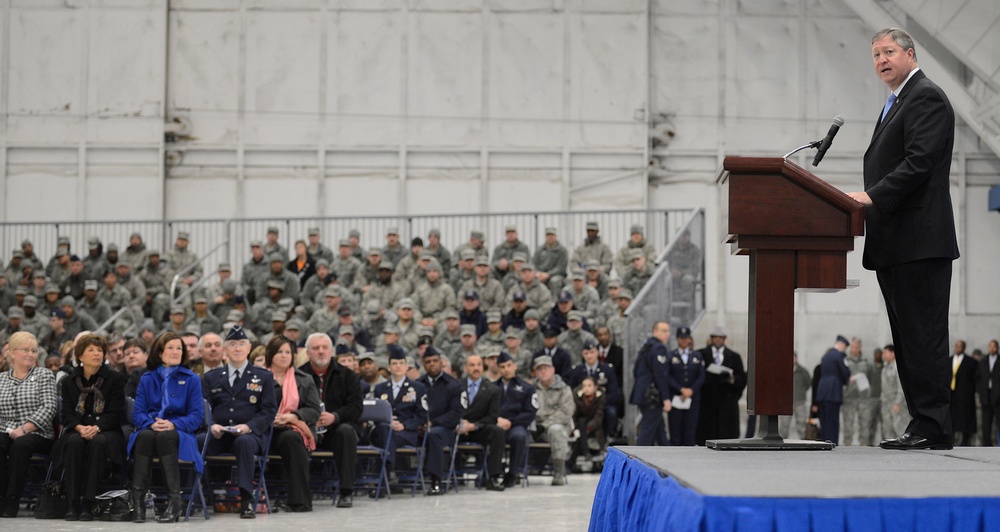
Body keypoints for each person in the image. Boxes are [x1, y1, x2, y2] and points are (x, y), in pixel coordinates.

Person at [845, 28, 959, 451]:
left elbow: (919, 162)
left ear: (910, 54)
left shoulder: (925, 96)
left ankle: (934, 425)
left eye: (889, 51)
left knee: (923, 337)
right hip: (897, 241)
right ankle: (924, 424)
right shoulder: (897, 101)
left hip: (919, 240)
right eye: (875, 54)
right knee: (908, 338)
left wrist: (870, 196)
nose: (881, 60)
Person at [202, 326, 278, 519]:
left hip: (250, 435)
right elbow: (204, 407)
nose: (237, 348)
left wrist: (249, 427)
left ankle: (246, 501)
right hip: (219, 433)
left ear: (249, 348)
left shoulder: (264, 377)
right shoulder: (211, 377)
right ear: (225, 350)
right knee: (195, 441)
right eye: (232, 344)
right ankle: (191, 496)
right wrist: (211, 425)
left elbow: (269, 410)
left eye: (242, 344)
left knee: (243, 443)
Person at [128, 331, 204, 523]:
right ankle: (138, 503)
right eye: (170, 347)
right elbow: (137, 414)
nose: (176, 351)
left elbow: (197, 417)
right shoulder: (147, 378)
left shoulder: (192, 379)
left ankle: (174, 502)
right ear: (159, 353)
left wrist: (173, 424)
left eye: (179, 348)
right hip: (150, 429)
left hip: (179, 433)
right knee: (144, 436)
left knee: (164, 436)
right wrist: (152, 423)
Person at [54, 334, 127, 521]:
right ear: (80, 356)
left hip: (106, 431)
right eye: (91, 350)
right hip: (77, 429)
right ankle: (71, 503)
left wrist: (96, 427)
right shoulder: (69, 382)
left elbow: (116, 413)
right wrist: (79, 427)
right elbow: (67, 414)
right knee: (73, 442)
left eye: (100, 350)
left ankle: (88, 503)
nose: (97, 353)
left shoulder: (115, 379)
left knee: (98, 443)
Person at [299, 332, 362, 508]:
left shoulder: (347, 375)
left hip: (336, 430)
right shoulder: (298, 375)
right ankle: (296, 494)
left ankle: (346, 492)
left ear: (331, 351)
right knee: (290, 436)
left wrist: (335, 417)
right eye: (316, 348)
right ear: (308, 352)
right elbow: (291, 404)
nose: (321, 351)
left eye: (325, 347)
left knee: (346, 432)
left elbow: (356, 407)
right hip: (307, 428)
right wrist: (307, 418)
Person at [0, 332, 57, 518]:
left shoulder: (44, 375)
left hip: (39, 433)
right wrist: (8, 429)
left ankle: (13, 499)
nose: (31, 354)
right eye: (26, 350)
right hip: (6, 429)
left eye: (34, 350)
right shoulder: (1, 379)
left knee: (21, 445)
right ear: (13, 353)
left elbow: (49, 407)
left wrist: (24, 429)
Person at [264, 335, 320, 512]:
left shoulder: (304, 379)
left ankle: (300, 501)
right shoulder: (258, 377)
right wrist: (268, 418)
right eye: (279, 352)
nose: (284, 356)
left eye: (288, 352)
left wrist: (293, 416)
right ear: (271, 354)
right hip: (264, 429)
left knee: (292, 439)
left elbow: (314, 410)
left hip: (292, 429)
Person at [371, 345, 427, 486]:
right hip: (385, 428)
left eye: (401, 363)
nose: (398, 366)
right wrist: (388, 422)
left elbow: (422, 414)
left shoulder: (417, 388)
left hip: (406, 432)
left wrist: (404, 425)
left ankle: (381, 481)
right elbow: (375, 413)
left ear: (407, 366)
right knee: (384, 431)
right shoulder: (380, 388)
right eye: (394, 363)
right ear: (389, 367)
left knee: (384, 440)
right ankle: (390, 472)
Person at [416, 346, 465, 495]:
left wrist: (433, 423)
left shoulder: (454, 385)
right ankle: (397, 478)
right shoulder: (417, 385)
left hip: (445, 430)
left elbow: (456, 413)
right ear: (423, 364)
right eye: (428, 361)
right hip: (419, 427)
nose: (432, 364)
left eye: (435, 361)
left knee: (434, 435)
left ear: (441, 363)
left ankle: (436, 481)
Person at [457, 354, 506, 491]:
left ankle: (493, 477)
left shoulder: (493, 390)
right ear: (466, 368)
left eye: (478, 365)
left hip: (479, 429)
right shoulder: (455, 386)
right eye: (472, 365)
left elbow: (492, 417)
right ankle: (439, 478)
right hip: (456, 428)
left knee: (498, 432)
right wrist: (458, 423)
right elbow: (449, 409)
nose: (476, 368)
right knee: (438, 431)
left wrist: (473, 426)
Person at [696, 327, 747, 445]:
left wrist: (732, 379)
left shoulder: (734, 356)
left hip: (727, 400)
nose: (718, 340)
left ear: (724, 339)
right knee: (707, 431)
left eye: (721, 338)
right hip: (707, 400)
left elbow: (742, 378)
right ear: (711, 339)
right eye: (716, 338)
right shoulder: (701, 354)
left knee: (726, 432)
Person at [531, 355, 574, 486]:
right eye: (540, 369)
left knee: (556, 431)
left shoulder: (564, 389)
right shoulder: (530, 388)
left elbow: (565, 412)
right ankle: (515, 471)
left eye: (546, 368)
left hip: (558, 424)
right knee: (518, 432)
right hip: (535, 424)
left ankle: (558, 472)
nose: (543, 371)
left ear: (553, 369)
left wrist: (545, 425)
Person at [495, 351, 537, 487]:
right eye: (502, 366)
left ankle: (512, 473)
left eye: (508, 365)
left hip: (517, 425)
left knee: (519, 436)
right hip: (496, 424)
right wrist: (497, 420)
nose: (506, 369)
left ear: (515, 366)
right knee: (489, 433)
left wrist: (511, 422)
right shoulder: (491, 387)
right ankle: (490, 473)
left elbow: (531, 412)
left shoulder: (527, 388)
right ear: (498, 369)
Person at [631, 321, 672, 446]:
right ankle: (636, 462)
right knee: (646, 434)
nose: (667, 334)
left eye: (668, 331)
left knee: (660, 433)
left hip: (643, 394)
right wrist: (666, 398)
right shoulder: (659, 348)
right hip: (652, 397)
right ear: (655, 331)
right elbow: (660, 375)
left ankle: (669, 459)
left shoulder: (647, 346)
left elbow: (636, 370)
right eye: (664, 331)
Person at [666, 327, 704, 446]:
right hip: (677, 397)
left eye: (686, 338)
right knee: (675, 430)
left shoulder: (697, 356)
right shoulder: (671, 355)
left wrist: (691, 390)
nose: (684, 340)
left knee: (690, 429)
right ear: (677, 339)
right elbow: (667, 376)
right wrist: (681, 389)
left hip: (692, 398)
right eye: (681, 338)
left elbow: (701, 376)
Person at [815, 336, 852, 444]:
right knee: (832, 420)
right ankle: (831, 442)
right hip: (833, 392)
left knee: (825, 420)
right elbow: (845, 372)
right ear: (842, 345)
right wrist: (847, 379)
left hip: (822, 391)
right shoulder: (840, 356)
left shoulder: (826, 356)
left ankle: (824, 441)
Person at [570, 376, 605, 472]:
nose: (586, 388)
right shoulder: (577, 396)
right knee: (581, 421)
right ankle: (586, 453)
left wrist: (588, 428)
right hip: (579, 425)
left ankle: (570, 463)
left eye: (589, 385)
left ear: (595, 387)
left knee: (582, 431)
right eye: (584, 386)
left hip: (594, 426)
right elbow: (574, 415)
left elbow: (599, 417)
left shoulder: (600, 397)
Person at [950, 340, 977, 446]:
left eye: (960, 346)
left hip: (964, 395)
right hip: (951, 394)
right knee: (951, 417)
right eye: (956, 346)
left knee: (964, 417)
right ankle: (951, 439)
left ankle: (965, 440)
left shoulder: (970, 362)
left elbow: (973, 379)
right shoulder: (949, 360)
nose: (958, 348)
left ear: (964, 348)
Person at [779, 353, 812, 439]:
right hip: (786, 402)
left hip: (799, 402)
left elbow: (808, 383)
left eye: (793, 358)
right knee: (784, 424)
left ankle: (803, 441)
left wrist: (800, 392)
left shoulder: (803, 371)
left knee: (801, 423)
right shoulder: (783, 371)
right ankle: (783, 441)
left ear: (796, 359)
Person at [880, 345, 909, 440]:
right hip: (886, 403)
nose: (883, 355)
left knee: (899, 427)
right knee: (887, 429)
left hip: (896, 403)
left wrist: (897, 402)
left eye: (886, 353)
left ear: (893, 353)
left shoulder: (898, 367)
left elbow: (900, 386)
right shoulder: (885, 367)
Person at [977, 340, 1000, 446]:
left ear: (997, 348)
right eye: (990, 346)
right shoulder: (983, 361)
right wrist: (981, 392)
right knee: (986, 422)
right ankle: (986, 444)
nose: (992, 348)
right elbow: (978, 378)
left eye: (994, 346)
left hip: (998, 397)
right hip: (986, 396)